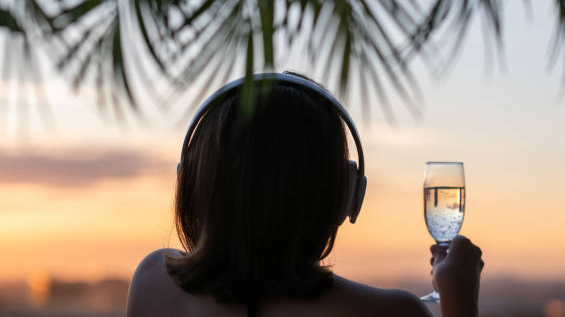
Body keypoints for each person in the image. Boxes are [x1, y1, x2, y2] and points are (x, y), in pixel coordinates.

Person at [127, 73, 484, 317]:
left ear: (189, 183)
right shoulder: (391, 312)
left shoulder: (152, 281)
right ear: (345, 195)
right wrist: (460, 301)